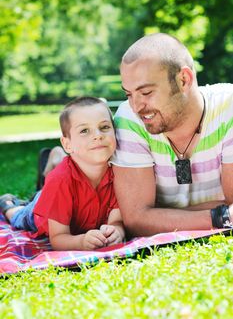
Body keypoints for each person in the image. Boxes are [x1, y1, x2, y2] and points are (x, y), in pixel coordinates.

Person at [111, 32, 233, 236]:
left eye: (146, 93)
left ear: (183, 80)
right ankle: (54, 160)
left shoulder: (229, 108)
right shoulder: (129, 120)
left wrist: (160, 217)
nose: (136, 106)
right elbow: (136, 219)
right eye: (128, 94)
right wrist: (219, 216)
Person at [0, 96, 125, 250]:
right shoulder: (60, 180)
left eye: (104, 127)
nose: (98, 135)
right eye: (85, 130)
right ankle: (7, 203)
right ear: (67, 144)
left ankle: (54, 160)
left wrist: (116, 231)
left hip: (61, 193)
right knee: (19, 217)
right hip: (43, 209)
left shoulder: (121, 173)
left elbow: (116, 222)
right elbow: (58, 239)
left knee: (50, 186)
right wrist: (81, 242)